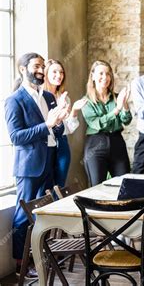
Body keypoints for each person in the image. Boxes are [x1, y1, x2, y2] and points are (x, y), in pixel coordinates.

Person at [5, 53, 68, 277]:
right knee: (24, 217)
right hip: (29, 167)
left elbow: (56, 131)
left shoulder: (49, 97)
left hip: (50, 160)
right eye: (37, 66)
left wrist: (59, 121)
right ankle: (20, 265)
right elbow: (16, 137)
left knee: (46, 212)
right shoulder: (14, 100)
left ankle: (43, 257)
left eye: (43, 66)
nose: (41, 70)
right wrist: (47, 124)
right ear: (23, 69)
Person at [82, 60, 132, 186]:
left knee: (124, 184)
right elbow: (97, 124)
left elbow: (126, 120)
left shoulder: (117, 97)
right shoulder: (86, 101)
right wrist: (117, 110)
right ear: (92, 76)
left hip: (117, 142)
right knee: (96, 187)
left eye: (108, 74)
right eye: (101, 73)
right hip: (96, 144)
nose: (105, 77)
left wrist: (125, 105)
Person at [43, 59, 88, 187]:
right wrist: (59, 109)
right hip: (45, 145)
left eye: (61, 72)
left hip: (62, 144)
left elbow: (68, 129)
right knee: (45, 188)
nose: (59, 75)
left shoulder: (64, 97)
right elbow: (45, 124)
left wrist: (74, 110)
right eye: (54, 72)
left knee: (59, 186)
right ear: (46, 74)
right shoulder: (40, 97)